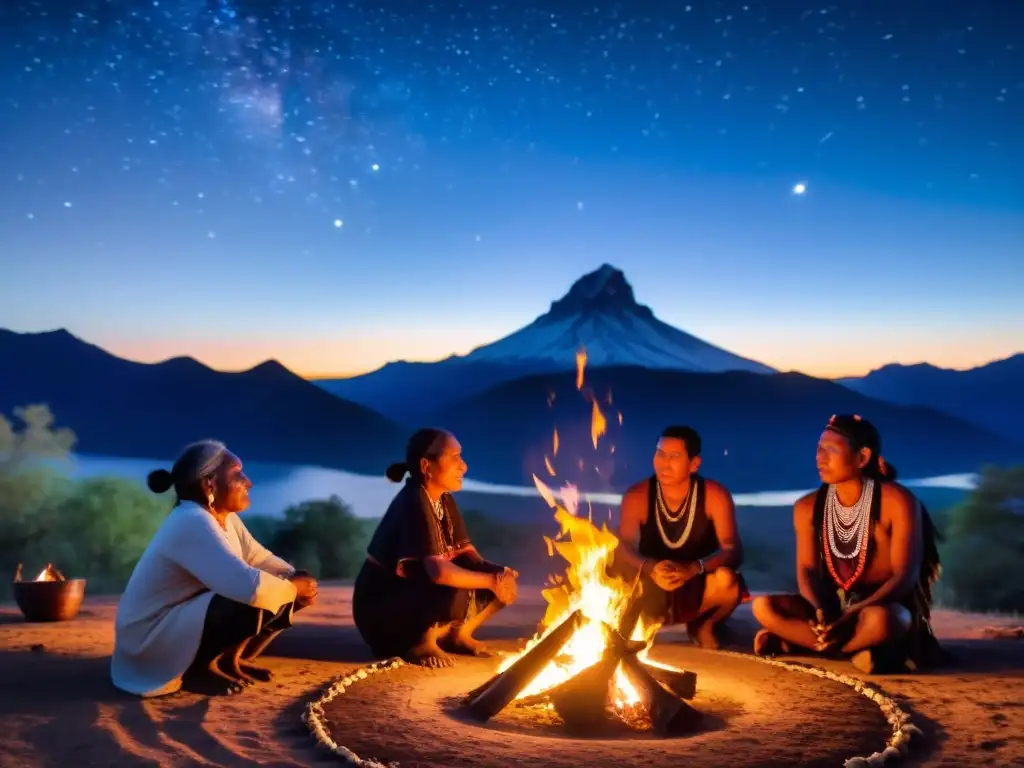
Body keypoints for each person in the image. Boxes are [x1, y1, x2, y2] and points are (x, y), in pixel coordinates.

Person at [111, 440, 318, 697]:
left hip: (179, 623)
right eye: (237, 473)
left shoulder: (225, 517)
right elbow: (247, 587)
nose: (248, 482)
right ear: (209, 484)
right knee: (248, 596)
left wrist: (293, 576)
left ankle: (228, 660)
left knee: (277, 585)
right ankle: (198, 669)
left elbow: (257, 556)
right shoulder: (191, 521)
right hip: (151, 638)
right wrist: (292, 587)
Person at [751, 414, 943, 673]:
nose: (820, 458)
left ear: (862, 458)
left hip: (879, 608)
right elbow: (807, 570)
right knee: (763, 607)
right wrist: (820, 609)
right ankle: (854, 649)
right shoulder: (807, 507)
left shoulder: (898, 502)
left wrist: (853, 614)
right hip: (832, 610)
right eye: (819, 449)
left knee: (885, 621)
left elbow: (903, 576)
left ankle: (816, 645)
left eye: (830, 450)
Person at [353, 428, 519, 667]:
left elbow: (468, 555)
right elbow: (438, 572)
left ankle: (457, 634)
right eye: (454, 458)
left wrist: (501, 575)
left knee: (492, 578)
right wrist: (491, 580)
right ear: (426, 466)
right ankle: (421, 643)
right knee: (448, 579)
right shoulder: (414, 500)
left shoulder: (443, 499)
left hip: (410, 602)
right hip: (382, 616)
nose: (464, 467)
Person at [613, 425, 747, 649]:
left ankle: (705, 626)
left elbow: (733, 550)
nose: (664, 463)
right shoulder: (638, 495)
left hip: (696, 584)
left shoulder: (715, 495)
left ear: (694, 464)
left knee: (727, 581)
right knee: (614, 571)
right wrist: (650, 567)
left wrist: (692, 569)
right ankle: (637, 626)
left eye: (674, 456)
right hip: (651, 585)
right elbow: (622, 546)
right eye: (660, 454)